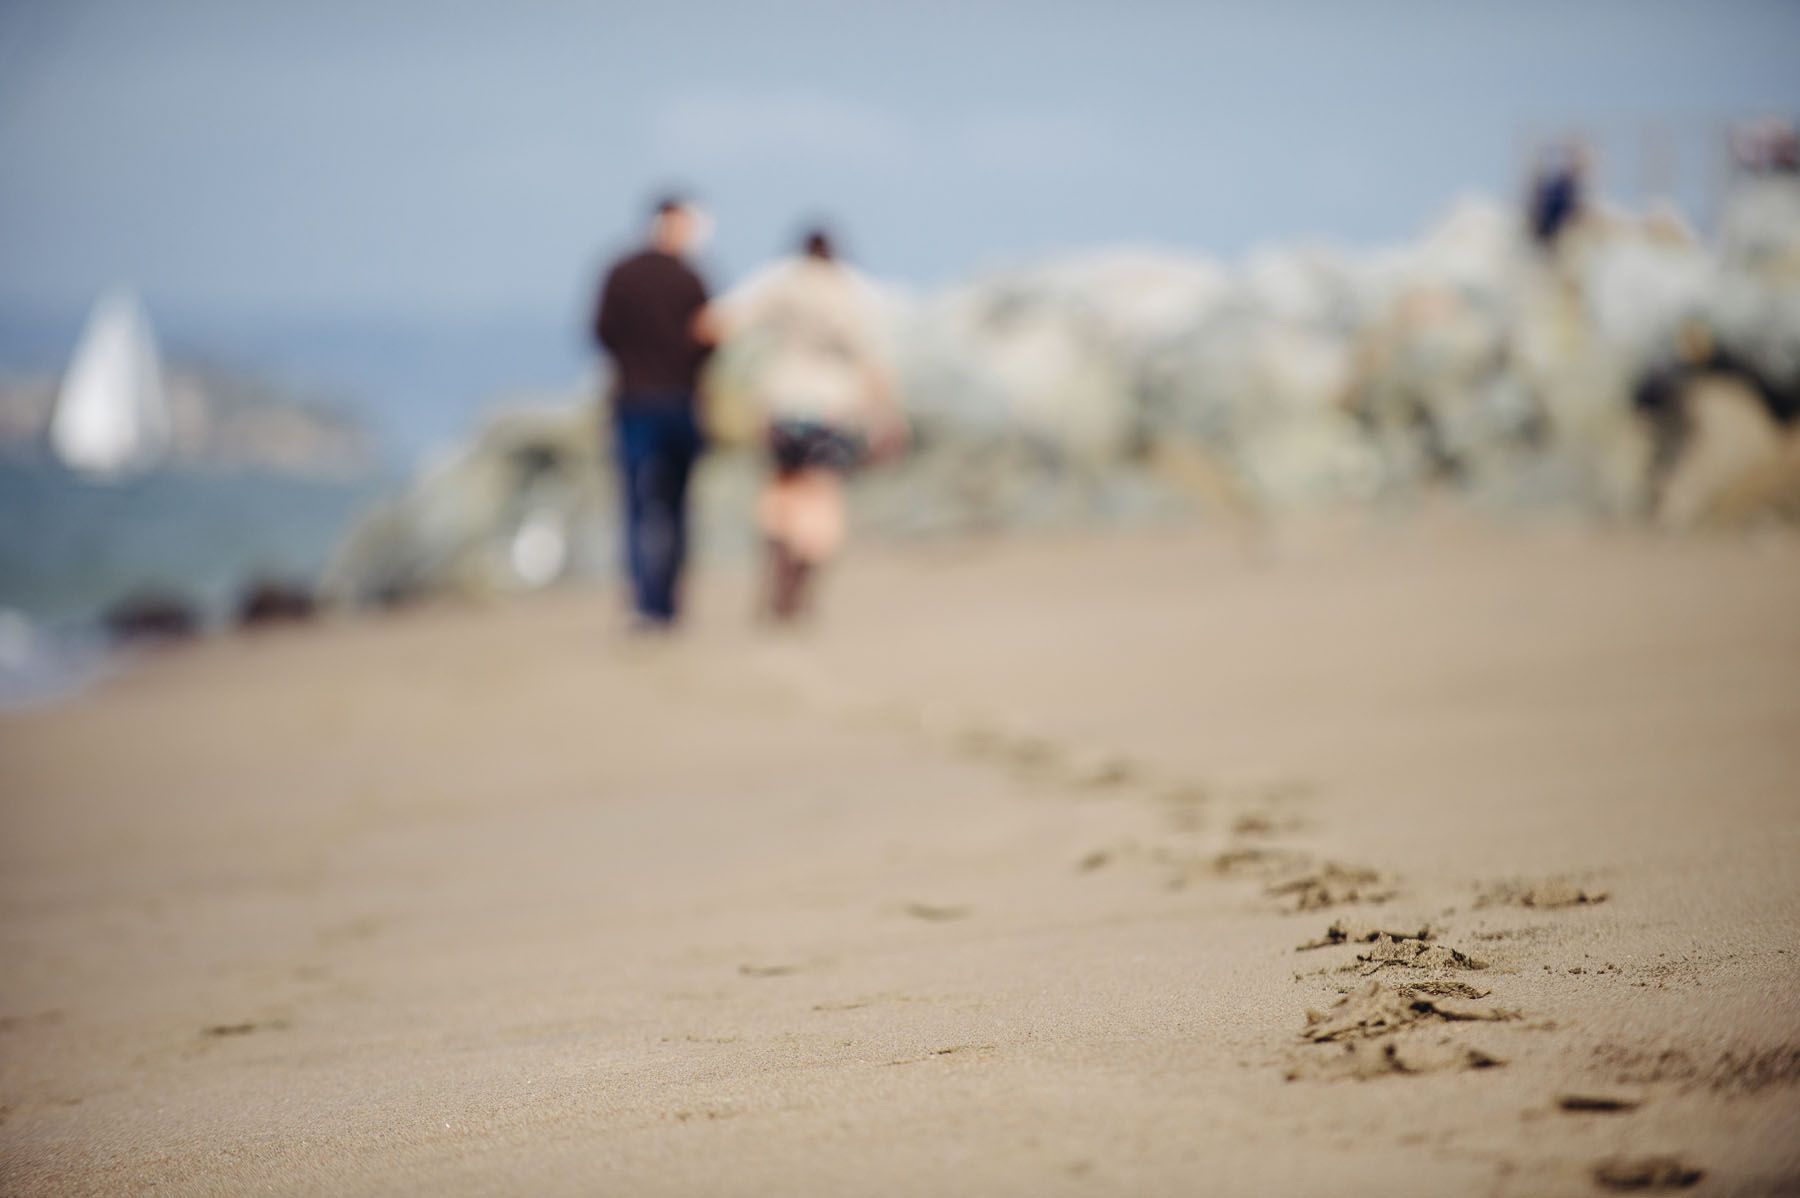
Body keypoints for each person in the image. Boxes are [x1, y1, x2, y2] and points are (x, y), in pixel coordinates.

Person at [711, 227, 906, 622]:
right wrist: (889, 417)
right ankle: (799, 582)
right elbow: (871, 360)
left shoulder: (781, 284)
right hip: (831, 408)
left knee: (782, 489)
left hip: (780, 404)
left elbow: (721, 324)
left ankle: (779, 559)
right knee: (823, 497)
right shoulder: (850, 291)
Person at [592, 196, 715, 628]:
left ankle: (644, 602)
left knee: (638, 504)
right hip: (680, 400)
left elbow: (601, 332)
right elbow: (709, 340)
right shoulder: (691, 277)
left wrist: (631, 363)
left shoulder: (619, 273)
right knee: (677, 504)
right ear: (672, 225)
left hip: (634, 400)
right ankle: (668, 603)